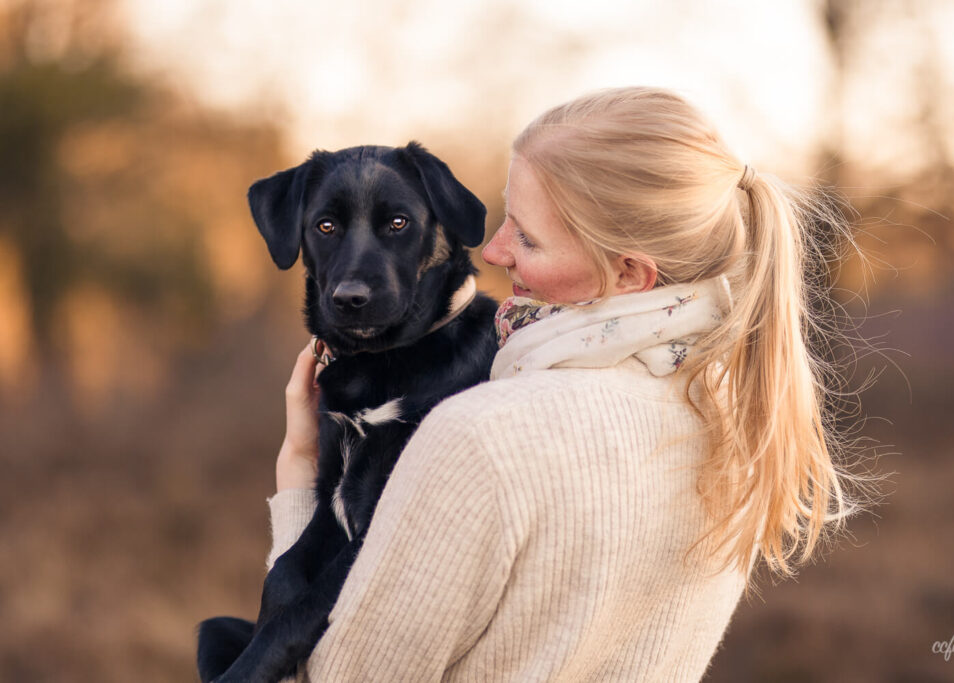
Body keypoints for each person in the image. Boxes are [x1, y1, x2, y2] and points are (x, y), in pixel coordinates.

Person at [268, 86, 870, 681]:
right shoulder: (728, 421)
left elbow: (324, 677)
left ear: (629, 273)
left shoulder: (478, 435)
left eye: (527, 237)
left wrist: (300, 472)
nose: (495, 250)